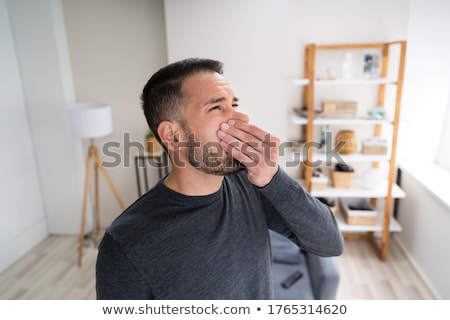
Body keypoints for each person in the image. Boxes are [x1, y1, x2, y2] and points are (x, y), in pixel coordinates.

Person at [95, 58, 343, 299]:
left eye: (234, 105)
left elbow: (330, 243)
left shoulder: (250, 184)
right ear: (172, 135)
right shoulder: (126, 244)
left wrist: (274, 178)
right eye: (216, 107)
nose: (240, 117)